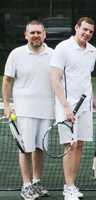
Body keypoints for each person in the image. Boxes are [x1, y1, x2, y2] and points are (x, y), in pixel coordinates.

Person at [2, 20, 54, 200]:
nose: (36, 35)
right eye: (32, 32)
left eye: (39, 32)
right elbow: (7, 80)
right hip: (24, 110)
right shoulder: (16, 54)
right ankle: (26, 185)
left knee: (40, 148)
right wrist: (7, 105)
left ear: (44, 34)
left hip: (47, 110)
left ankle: (36, 182)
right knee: (25, 149)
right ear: (26, 35)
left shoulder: (53, 55)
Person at [50, 17, 96, 200]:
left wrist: (92, 102)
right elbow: (55, 79)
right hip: (66, 107)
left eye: (90, 31)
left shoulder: (93, 51)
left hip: (85, 107)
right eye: (84, 29)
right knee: (71, 145)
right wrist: (66, 106)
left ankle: (72, 184)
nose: (87, 34)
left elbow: (85, 78)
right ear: (77, 28)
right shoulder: (63, 48)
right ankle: (67, 186)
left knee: (80, 146)